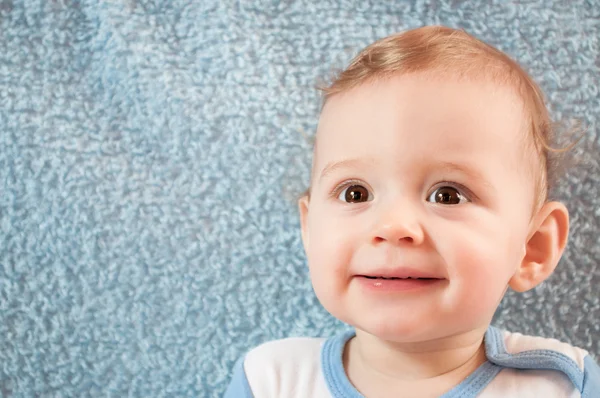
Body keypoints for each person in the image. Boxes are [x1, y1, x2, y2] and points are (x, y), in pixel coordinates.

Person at [224, 26, 600, 397]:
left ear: (533, 246)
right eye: (355, 193)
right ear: (310, 229)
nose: (393, 226)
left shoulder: (564, 384)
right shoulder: (271, 380)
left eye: (448, 195)